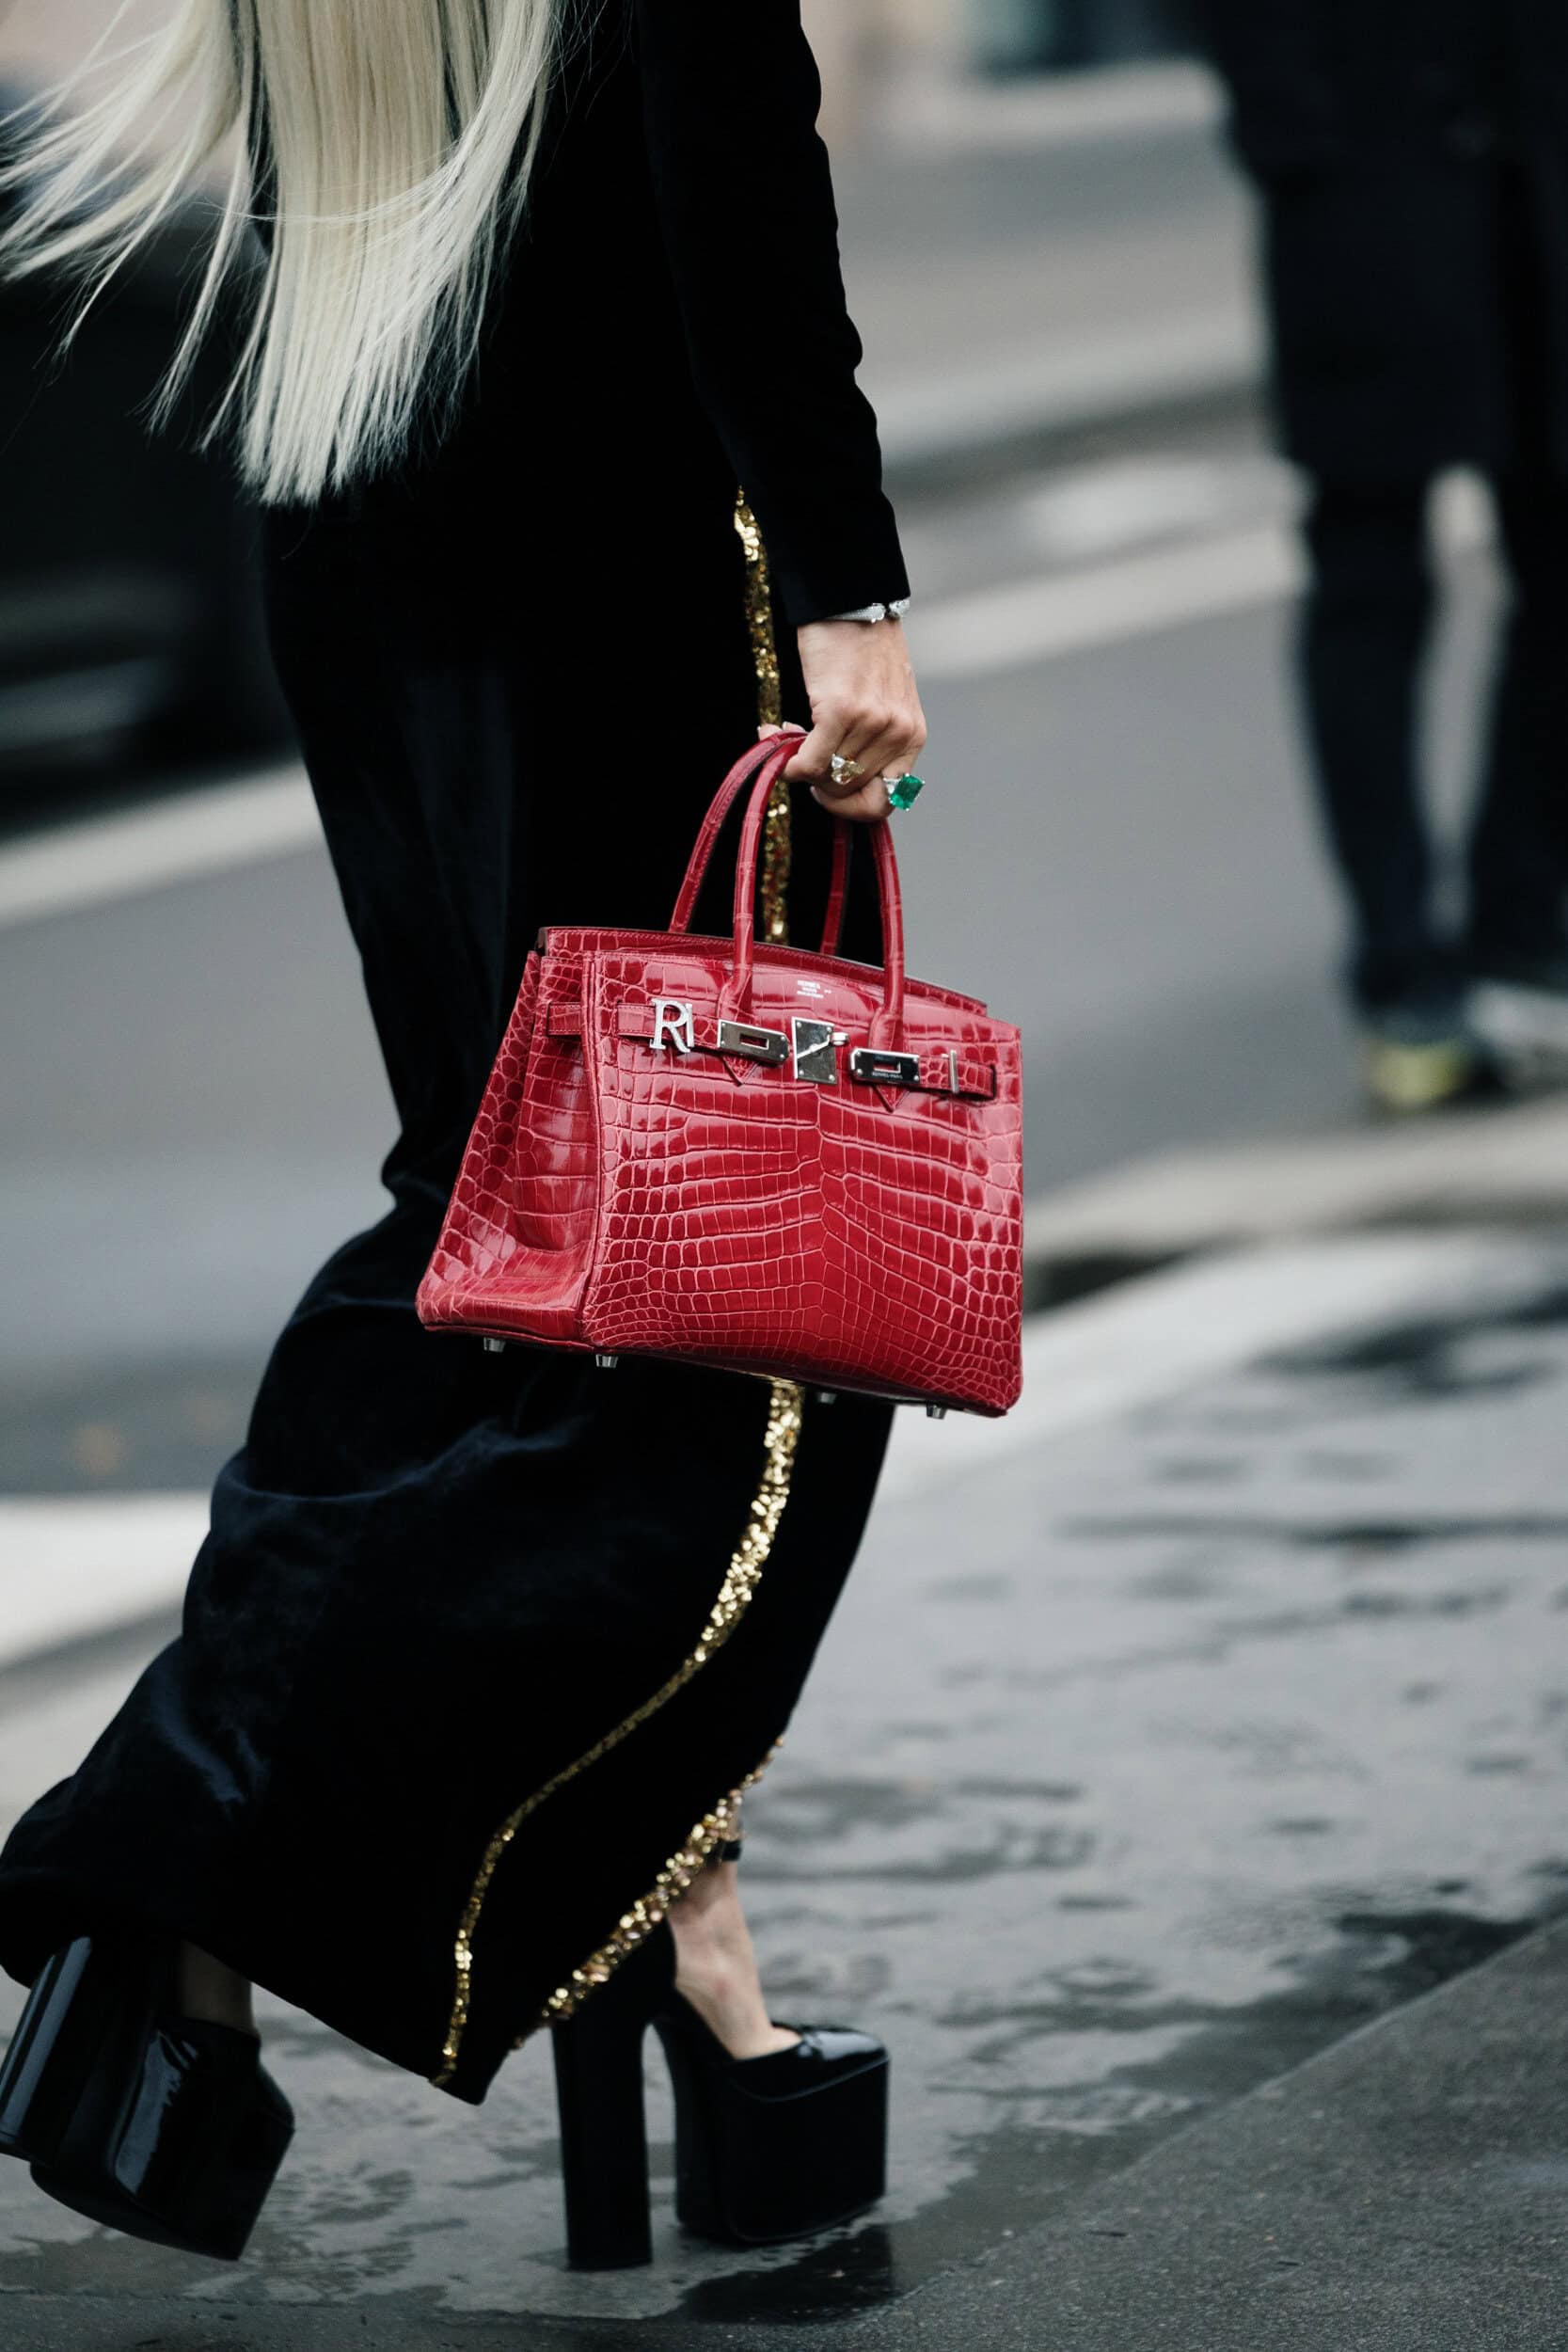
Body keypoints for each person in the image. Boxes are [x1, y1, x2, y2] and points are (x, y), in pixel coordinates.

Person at [0, 0, 926, 2272]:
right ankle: (169, 1839)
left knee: (501, 1239)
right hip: (631, 583)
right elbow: (735, 164)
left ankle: (663, 1936)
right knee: (729, 1314)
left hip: (368, 546)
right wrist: (849, 582)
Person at [1197, 1, 1568, 1112]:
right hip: (1361, 188)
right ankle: (1397, 964)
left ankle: (1514, 927)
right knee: (1368, 579)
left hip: (1534, 181)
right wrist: (1292, 141)